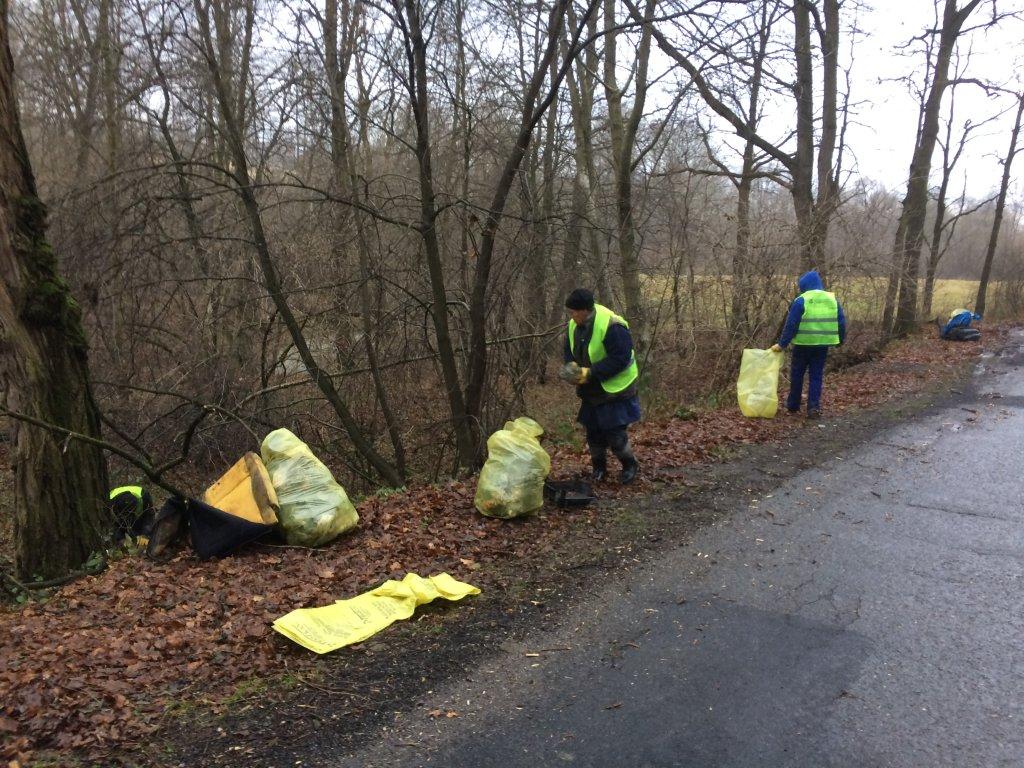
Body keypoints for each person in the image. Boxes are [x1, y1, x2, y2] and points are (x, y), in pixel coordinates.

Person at [559, 288, 641, 484]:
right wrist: (571, 367)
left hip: (615, 386)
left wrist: (591, 373)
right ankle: (599, 468)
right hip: (592, 387)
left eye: (574, 312)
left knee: (613, 431)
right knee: (593, 429)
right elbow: (569, 350)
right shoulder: (573, 325)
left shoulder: (613, 326)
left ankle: (630, 464)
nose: (571, 316)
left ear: (585, 310)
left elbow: (620, 359)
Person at [770, 270, 846, 419]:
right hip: (822, 346)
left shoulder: (801, 300)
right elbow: (841, 322)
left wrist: (782, 344)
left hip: (802, 345)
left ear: (804, 286)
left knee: (797, 375)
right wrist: (840, 340)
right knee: (816, 376)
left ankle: (793, 405)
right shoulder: (832, 300)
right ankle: (813, 407)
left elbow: (791, 325)